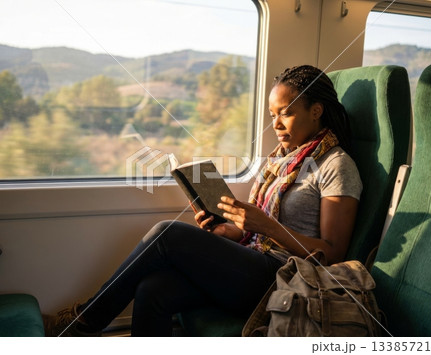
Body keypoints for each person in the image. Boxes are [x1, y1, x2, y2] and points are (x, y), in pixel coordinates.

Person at [44, 65, 362, 337]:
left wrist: (268, 226)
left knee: (167, 233)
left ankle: (84, 321)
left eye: (286, 113)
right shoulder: (281, 159)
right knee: (152, 290)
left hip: (284, 278)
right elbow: (253, 231)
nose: (276, 124)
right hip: (252, 259)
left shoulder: (337, 164)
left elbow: (332, 255)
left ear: (316, 111)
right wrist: (228, 230)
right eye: (272, 115)